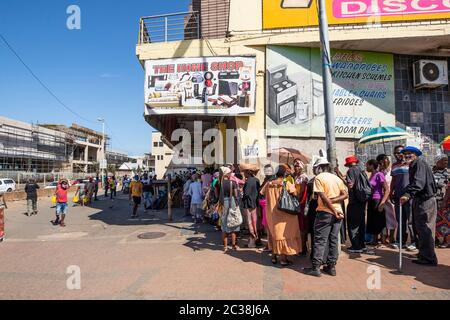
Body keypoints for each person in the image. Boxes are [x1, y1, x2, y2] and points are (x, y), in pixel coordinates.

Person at [303, 158, 348, 277]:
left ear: (319, 167)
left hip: (325, 213)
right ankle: (331, 266)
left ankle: (316, 267)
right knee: (333, 240)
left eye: (315, 168)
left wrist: (332, 208)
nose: (314, 170)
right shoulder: (337, 178)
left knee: (320, 240)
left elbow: (323, 197)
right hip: (338, 213)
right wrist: (334, 205)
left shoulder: (319, 178)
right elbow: (345, 195)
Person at [400, 146, 438, 266]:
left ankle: (428, 258)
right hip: (419, 200)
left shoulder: (419, 164)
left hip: (425, 200)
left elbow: (419, 183)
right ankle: (424, 253)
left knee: (425, 228)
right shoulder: (413, 165)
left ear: (416, 154)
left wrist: (407, 194)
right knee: (419, 228)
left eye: (410, 153)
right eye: (405, 154)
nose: (407, 155)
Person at [261, 164, 301, 267]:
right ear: (284, 173)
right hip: (284, 213)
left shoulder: (269, 183)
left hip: (271, 213)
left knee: (274, 234)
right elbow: (295, 194)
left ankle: (274, 257)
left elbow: (262, 193)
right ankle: (283, 259)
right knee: (284, 234)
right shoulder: (286, 183)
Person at [390, 145, 417, 251]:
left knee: (411, 220)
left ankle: (414, 242)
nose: (398, 154)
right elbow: (393, 180)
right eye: (396, 153)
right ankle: (400, 241)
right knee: (400, 219)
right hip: (397, 196)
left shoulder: (411, 164)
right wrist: (391, 192)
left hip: (409, 196)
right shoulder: (394, 165)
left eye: (400, 152)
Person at [341, 155, 369, 253]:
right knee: (361, 223)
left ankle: (356, 246)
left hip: (354, 201)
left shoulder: (351, 171)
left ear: (348, 164)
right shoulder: (361, 170)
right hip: (362, 200)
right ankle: (362, 245)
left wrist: (341, 179)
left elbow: (350, 185)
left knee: (353, 224)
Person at [365, 159, 390, 247]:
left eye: (367, 165)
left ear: (372, 165)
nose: (366, 167)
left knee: (380, 221)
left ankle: (383, 241)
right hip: (371, 200)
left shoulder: (379, 175)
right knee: (372, 220)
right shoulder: (372, 175)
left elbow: (387, 190)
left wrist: (382, 203)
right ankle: (374, 240)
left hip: (378, 200)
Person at [377, 154, 397, 246]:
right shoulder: (379, 173)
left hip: (390, 198)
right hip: (381, 198)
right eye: (382, 161)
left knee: (392, 218)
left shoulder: (392, 171)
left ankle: (392, 237)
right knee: (383, 219)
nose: (384, 162)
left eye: (386, 160)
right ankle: (383, 238)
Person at [219, 167, 241, 252]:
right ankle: (233, 245)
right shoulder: (233, 183)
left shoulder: (219, 183)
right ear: (227, 174)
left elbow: (218, 195)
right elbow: (236, 195)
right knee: (233, 223)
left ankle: (225, 246)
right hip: (232, 203)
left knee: (224, 224)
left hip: (223, 203)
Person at [292, 159, 309, 255]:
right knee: (298, 227)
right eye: (295, 166)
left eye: (298, 166)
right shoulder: (295, 177)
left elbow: (301, 192)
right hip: (297, 204)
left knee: (302, 227)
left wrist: (294, 195)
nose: (296, 168)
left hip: (301, 204)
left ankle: (303, 247)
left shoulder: (303, 177)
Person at [433, 155, 449, 248]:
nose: (446, 162)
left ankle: (447, 241)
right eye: (444, 160)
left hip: (444, 201)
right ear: (437, 161)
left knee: (445, 221)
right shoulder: (431, 172)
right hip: (432, 199)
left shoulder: (448, 174)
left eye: (447, 161)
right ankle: (435, 240)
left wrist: (445, 201)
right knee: (433, 221)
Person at [242, 168, 261, 248]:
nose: (244, 174)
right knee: (255, 223)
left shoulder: (248, 181)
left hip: (248, 204)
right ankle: (256, 240)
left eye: (244, 173)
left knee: (250, 223)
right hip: (255, 203)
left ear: (247, 173)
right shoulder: (257, 180)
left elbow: (246, 193)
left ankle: (252, 243)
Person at [259, 165, 274, 251]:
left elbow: (262, 191)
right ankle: (269, 245)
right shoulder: (267, 179)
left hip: (268, 205)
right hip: (266, 204)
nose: (267, 172)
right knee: (268, 227)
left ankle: (269, 245)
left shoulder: (270, 180)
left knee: (269, 227)